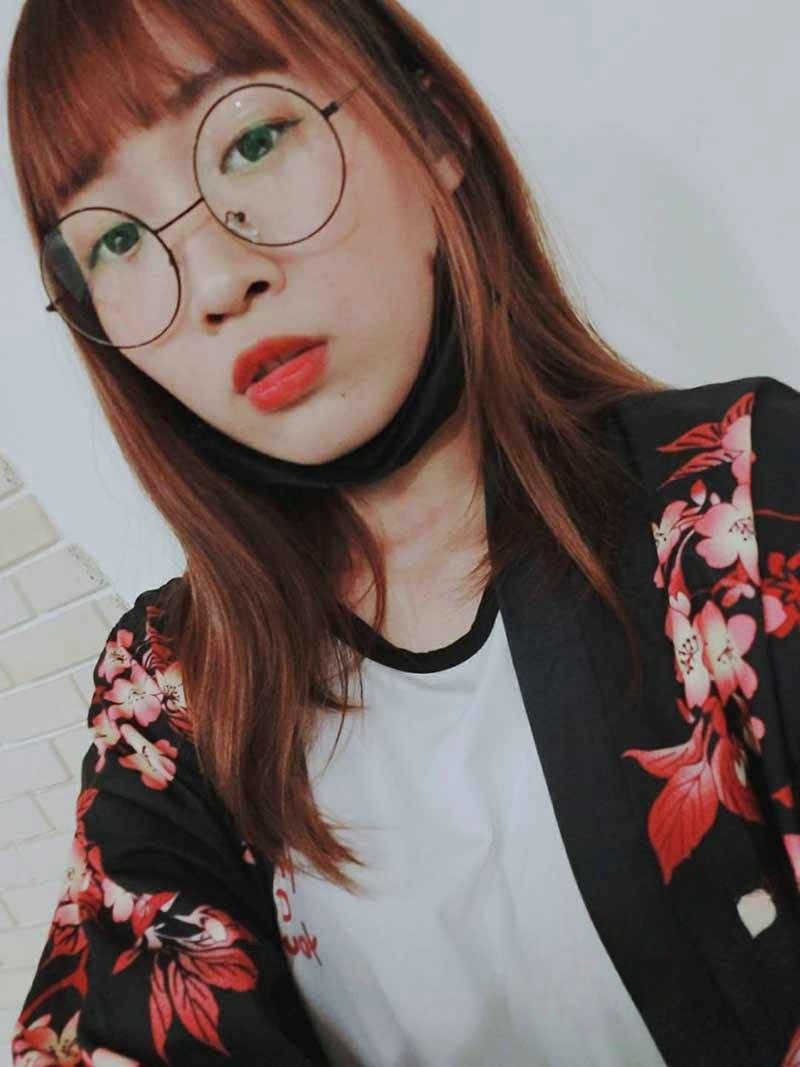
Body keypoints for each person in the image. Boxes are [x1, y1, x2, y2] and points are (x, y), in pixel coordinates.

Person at [6, 1, 800, 1064]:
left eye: (253, 140)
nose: (215, 283)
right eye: (114, 239)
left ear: (434, 134)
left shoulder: (739, 501)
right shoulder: (168, 696)